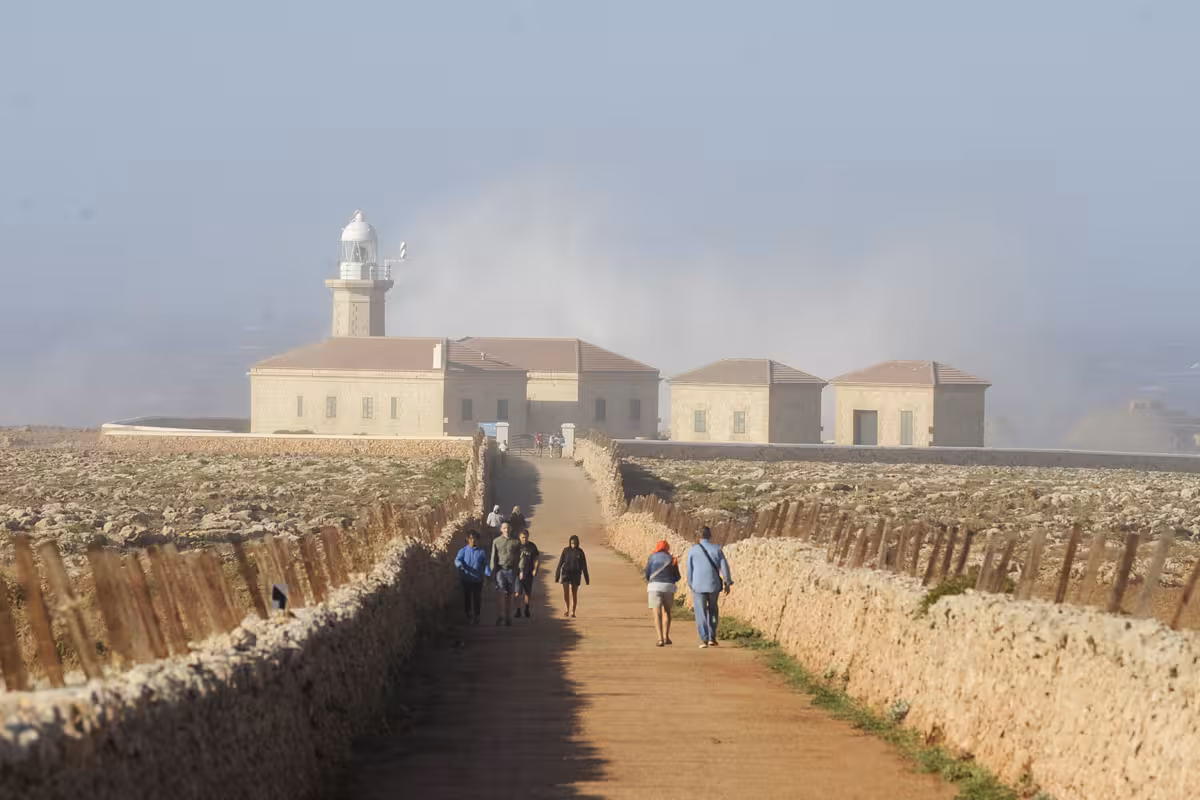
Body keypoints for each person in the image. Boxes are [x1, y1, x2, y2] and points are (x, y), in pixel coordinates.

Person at [686, 526, 733, 648]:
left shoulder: (693, 550)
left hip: (698, 586)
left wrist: (691, 584)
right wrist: (727, 582)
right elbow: (725, 568)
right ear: (710, 535)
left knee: (700, 612)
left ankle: (704, 638)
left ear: (698, 536)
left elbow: (689, 570)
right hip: (713, 586)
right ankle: (712, 636)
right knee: (713, 612)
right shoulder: (717, 549)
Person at [644, 539, 680, 646]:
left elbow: (647, 574)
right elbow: (677, 576)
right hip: (668, 587)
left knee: (657, 613)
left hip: (654, 586)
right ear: (667, 548)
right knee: (667, 611)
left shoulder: (651, 557)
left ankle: (660, 639)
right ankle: (666, 637)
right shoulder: (672, 559)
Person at [488, 521, 521, 626]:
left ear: (511, 529)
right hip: (500, 571)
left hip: (511, 571)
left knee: (509, 595)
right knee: (501, 594)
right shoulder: (496, 542)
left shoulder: (516, 542)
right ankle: (500, 615)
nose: (506, 530)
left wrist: (519, 570)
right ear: (501, 530)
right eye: (504, 528)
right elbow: (493, 557)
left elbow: (520, 557)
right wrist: (492, 572)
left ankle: (508, 617)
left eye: (508, 528)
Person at [454, 530, 488, 624]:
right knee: (467, 597)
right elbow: (457, 560)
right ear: (467, 539)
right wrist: (460, 565)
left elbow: (485, 564)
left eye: (475, 539)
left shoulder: (481, 552)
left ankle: (477, 615)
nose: (473, 541)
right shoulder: (463, 551)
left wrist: (487, 575)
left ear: (478, 540)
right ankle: (468, 614)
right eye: (471, 538)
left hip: (478, 579)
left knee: (477, 597)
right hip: (466, 578)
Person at [554, 534, 589, 617]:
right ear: (570, 543)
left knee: (574, 593)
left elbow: (584, 566)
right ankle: (567, 608)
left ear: (577, 543)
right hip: (566, 573)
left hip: (576, 574)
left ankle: (573, 611)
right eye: (572, 543)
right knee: (566, 592)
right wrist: (557, 576)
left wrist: (587, 578)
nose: (573, 545)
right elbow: (560, 563)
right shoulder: (566, 550)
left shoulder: (580, 552)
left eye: (575, 543)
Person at [515, 529, 540, 618]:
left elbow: (536, 558)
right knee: (517, 592)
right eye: (522, 537)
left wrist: (535, 569)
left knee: (527, 592)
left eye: (526, 537)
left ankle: (526, 608)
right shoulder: (516, 546)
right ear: (519, 537)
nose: (524, 539)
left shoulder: (532, 546)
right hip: (518, 572)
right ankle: (518, 610)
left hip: (528, 572)